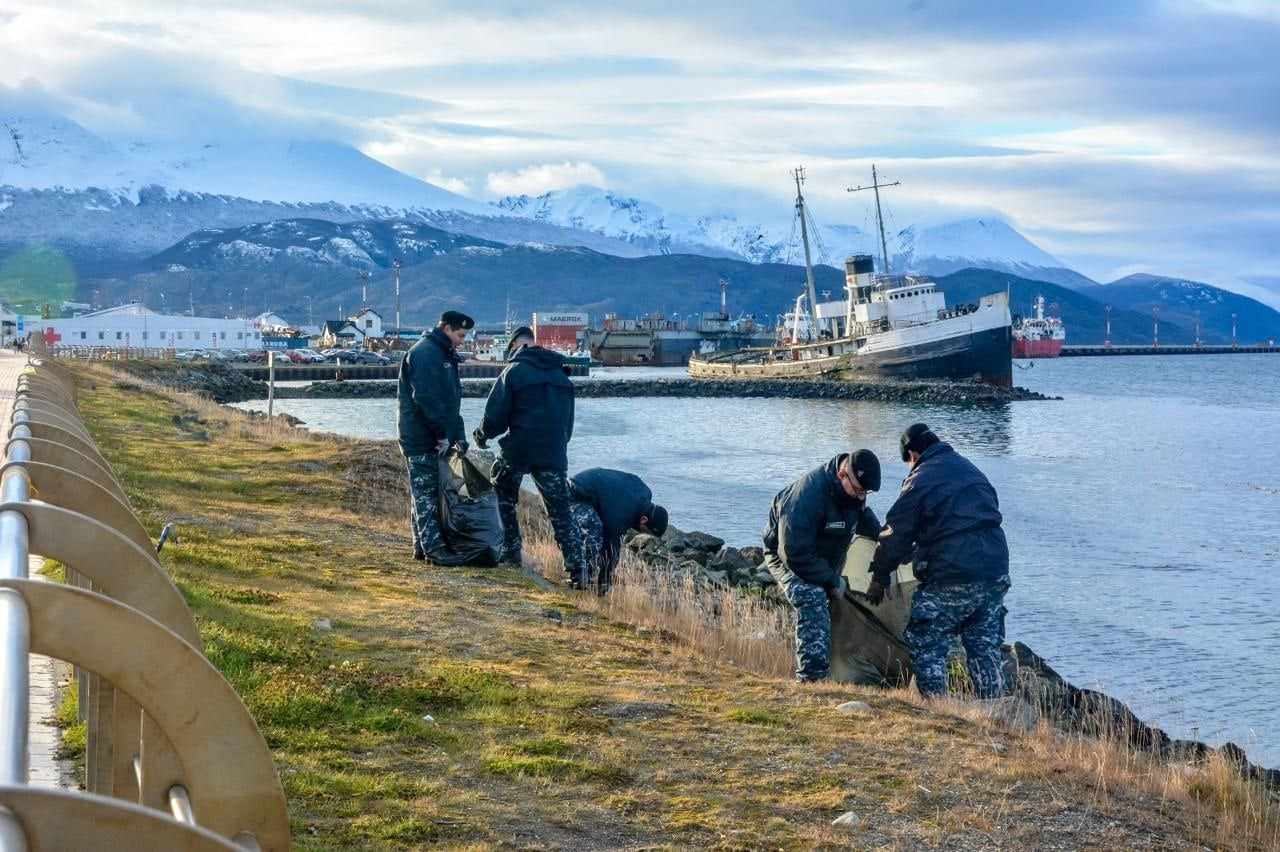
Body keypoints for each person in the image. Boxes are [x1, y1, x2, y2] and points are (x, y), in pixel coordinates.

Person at [868, 423, 1011, 699]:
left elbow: (895, 532)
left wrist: (880, 575)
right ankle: (995, 714)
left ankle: (936, 709)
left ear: (913, 453)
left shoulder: (921, 479)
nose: (908, 466)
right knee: (984, 647)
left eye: (907, 461)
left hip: (953, 574)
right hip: (995, 570)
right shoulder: (971, 471)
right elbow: (962, 522)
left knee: (927, 638)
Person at [471, 326, 585, 584]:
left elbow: (495, 417)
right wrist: (559, 445)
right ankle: (578, 570)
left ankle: (511, 552)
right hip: (553, 452)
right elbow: (568, 423)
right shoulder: (562, 377)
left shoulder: (513, 372)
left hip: (519, 448)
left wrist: (482, 435)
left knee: (503, 493)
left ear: (515, 346)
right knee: (561, 510)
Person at [762, 450, 882, 682]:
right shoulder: (806, 497)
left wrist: (887, 540)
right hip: (786, 555)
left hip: (824, 554)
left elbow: (866, 521)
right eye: (859, 491)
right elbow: (794, 554)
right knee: (813, 597)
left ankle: (848, 672)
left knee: (841, 602)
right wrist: (831, 580)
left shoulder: (855, 494)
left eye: (865, 493)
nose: (861, 498)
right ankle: (812, 681)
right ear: (841, 474)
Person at [397, 310, 473, 562]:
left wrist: (457, 436)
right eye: (460, 335)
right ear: (447, 328)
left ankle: (422, 546)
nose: (462, 340)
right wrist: (443, 434)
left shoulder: (440, 354)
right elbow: (427, 400)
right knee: (426, 492)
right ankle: (434, 549)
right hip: (422, 436)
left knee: (422, 492)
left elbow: (451, 404)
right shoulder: (427, 354)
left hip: (428, 434)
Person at [568, 467, 669, 592]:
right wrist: (604, 579)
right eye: (646, 531)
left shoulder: (644, 493)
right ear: (644, 520)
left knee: (607, 538)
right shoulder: (622, 515)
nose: (641, 533)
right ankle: (579, 578)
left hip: (597, 497)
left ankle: (598, 582)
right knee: (594, 532)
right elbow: (611, 546)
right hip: (575, 493)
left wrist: (605, 580)